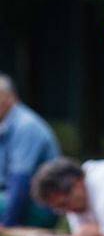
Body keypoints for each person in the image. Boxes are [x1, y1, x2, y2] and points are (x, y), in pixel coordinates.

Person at [0, 73, 60, 228]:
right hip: (16, 198)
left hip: (41, 206)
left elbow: (21, 180)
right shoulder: (6, 124)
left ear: (9, 97)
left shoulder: (25, 126)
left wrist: (7, 224)